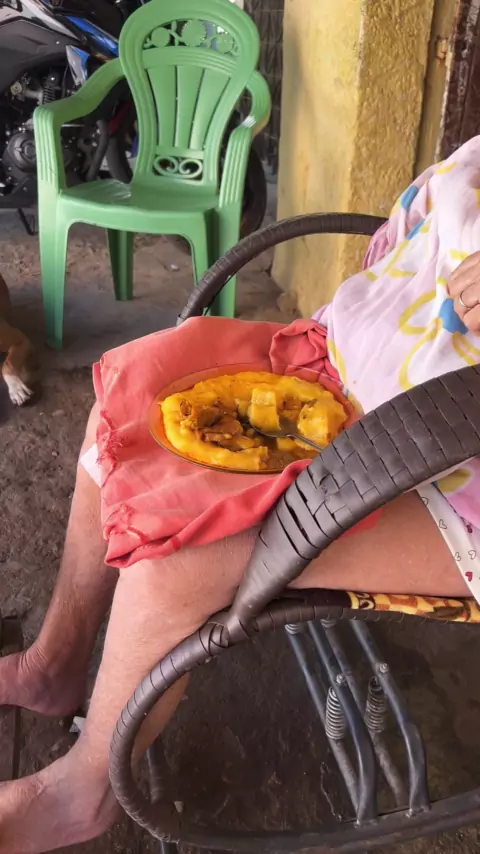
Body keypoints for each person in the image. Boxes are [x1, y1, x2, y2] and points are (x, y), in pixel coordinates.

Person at [2, 145, 480, 852]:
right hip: (359, 365)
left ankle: (81, 794)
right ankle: (55, 665)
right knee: (125, 413)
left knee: (184, 554)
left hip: (449, 467)